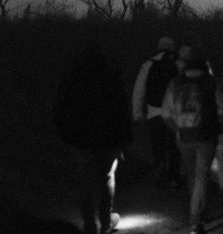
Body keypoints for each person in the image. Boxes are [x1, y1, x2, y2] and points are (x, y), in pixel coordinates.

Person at [54, 40, 132, 234]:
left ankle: (90, 226)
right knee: (107, 178)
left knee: (86, 183)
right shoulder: (112, 78)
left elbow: (60, 109)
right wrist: (124, 140)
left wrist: (67, 135)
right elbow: (123, 111)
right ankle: (105, 223)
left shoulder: (72, 80)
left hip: (80, 142)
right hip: (109, 141)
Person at [162, 45, 223, 234]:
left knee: (192, 175)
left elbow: (166, 113)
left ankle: (196, 211)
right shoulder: (213, 82)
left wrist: (176, 129)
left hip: (184, 137)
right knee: (201, 176)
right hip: (206, 136)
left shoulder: (175, 83)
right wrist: (218, 129)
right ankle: (196, 219)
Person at [131, 36, 181, 186]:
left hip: (154, 113)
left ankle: (160, 175)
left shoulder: (148, 64)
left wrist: (138, 113)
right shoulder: (178, 64)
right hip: (175, 114)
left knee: (157, 146)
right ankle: (174, 178)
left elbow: (139, 91)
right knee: (174, 146)